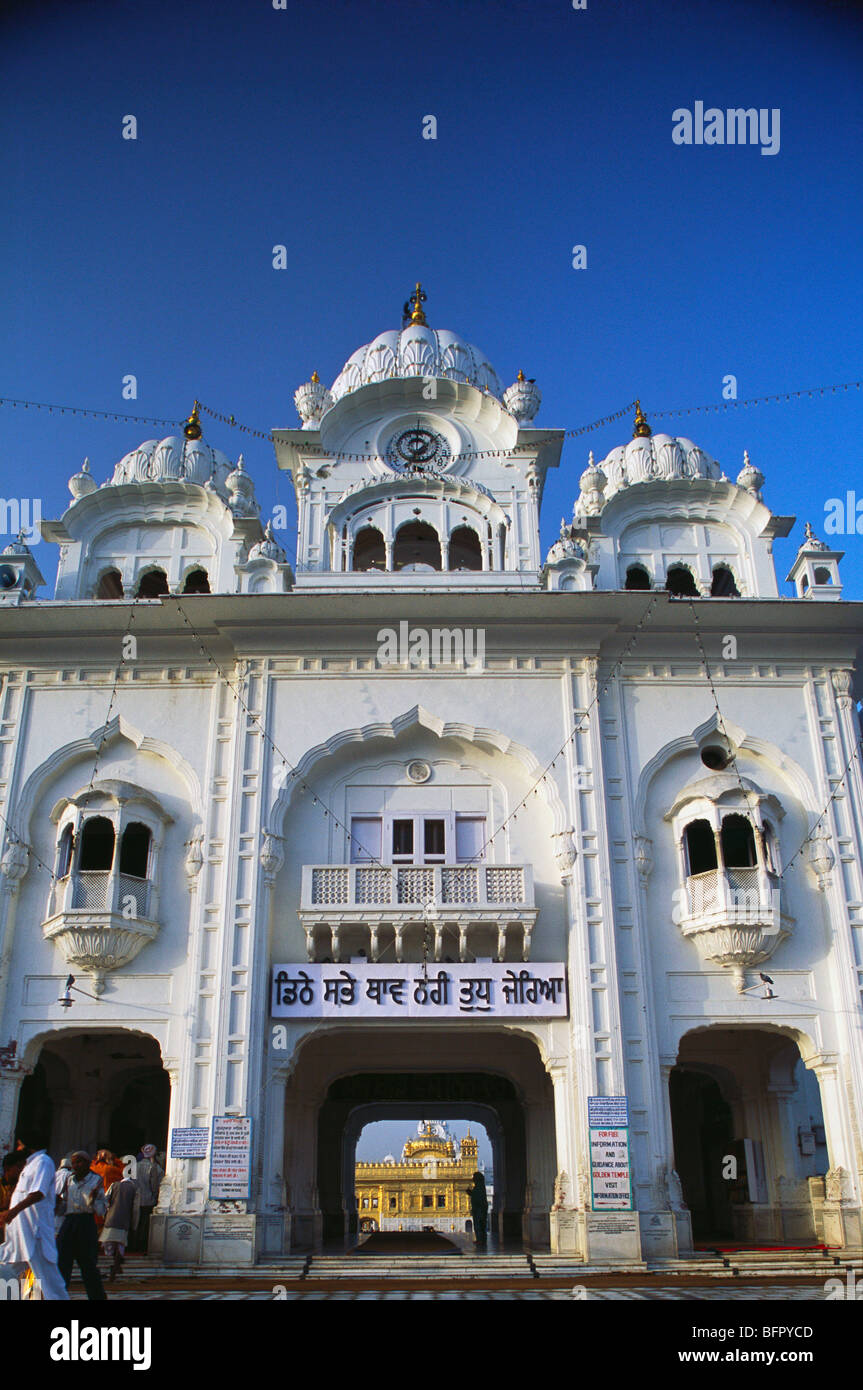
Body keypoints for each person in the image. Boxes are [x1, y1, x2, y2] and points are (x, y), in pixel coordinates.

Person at [0, 1129, 70, 1300]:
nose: (17, 1147)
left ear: (27, 1145)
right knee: (7, 1268)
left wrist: (12, 1212)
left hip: (34, 1232)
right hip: (20, 1233)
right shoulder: (30, 1165)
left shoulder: (43, 1162)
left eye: (19, 1144)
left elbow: (38, 1193)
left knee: (49, 1281)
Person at [56, 1150, 107, 1299]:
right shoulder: (69, 1180)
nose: (76, 1165)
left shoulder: (95, 1180)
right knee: (63, 1261)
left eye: (79, 1162)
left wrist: (94, 1199)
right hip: (69, 1221)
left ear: (87, 1163)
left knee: (88, 1264)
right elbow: (63, 1204)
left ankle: (97, 1297)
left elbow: (101, 1208)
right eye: (74, 1162)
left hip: (85, 1222)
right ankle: (59, 1295)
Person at [100, 1169, 140, 1279]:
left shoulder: (114, 1185)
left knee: (110, 1244)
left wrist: (105, 1214)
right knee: (120, 1245)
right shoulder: (134, 1188)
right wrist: (134, 1224)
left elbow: (105, 1199)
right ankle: (116, 1267)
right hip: (124, 1220)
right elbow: (136, 1209)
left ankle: (115, 1266)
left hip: (111, 1219)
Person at [131, 1142, 163, 1252]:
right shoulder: (153, 1167)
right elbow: (154, 1185)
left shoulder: (134, 1166)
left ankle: (133, 1245)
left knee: (136, 1222)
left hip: (136, 1199)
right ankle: (142, 1246)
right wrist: (156, 1196)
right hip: (148, 1199)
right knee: (145, 1224)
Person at [467, 1170, 488, 1248]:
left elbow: (478, 1197)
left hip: (479, 1209)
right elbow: (476, 1195)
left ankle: (481, 1240)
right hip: (478, 1209)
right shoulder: (479, 1186)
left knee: (479, 1225)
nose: (473, 1180)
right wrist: (471, 1193)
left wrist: (471, 1193)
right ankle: (480, 1239)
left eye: (474, 1178)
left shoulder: (479, 1187)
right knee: (479, 1225)